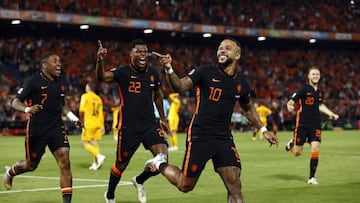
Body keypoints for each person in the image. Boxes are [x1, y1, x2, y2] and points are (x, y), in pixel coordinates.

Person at [148, 38, 279, 203]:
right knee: (185, 185)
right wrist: (168, 68)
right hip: (200, 135)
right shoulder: (205, 72)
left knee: (235, 185)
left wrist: (263, 130)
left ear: (237, 55)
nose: (222, 50)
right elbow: (179, 86)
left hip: (224, 138)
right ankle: (160, 163)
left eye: (227, 48)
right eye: (220, 48)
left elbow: (247, 108)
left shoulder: (241, 84)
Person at [96, 39, 170, 203]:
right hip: (128, 127)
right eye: (139, 51)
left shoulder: (153, 73)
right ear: (131, 54)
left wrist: (163, 118)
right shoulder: (123, 72)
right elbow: (102, 77)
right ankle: (109, 195)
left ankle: (139, 180)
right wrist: (100, 61)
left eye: (145, 51)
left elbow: (158, 94)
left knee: (162, 159)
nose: (143, 54)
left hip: (150, 125)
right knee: (120, 165)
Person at [4, 53, 82, 203]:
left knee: (65, 160)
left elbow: (62, 104)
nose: (59, 64)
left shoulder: (60, 81)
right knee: (31, 165)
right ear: (45, 65)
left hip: (56, 127)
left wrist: (73, 118)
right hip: (37, 129)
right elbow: (15, 102)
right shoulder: (33, 81)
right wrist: (27, 109)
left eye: (60, 61)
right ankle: (11, 171)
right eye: (55, 62)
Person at [285, 66, 339, 185]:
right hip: (302, 125)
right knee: (297, 153)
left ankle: (311, 177)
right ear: (308, 76)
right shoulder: (303, 89)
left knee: (315, 149)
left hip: (315, 124)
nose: (315, 76)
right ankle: (291, 144)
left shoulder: (319, 92)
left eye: (317, 74)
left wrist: (332, 114)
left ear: (319, 77)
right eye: (313, 74)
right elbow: (291, 100)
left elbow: (320, 105)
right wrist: (289, 106)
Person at [79, 82, 106, 170]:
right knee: (95, 143)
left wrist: (81, 121)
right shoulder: (98, 98)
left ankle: (99, 156)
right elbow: (101, 113)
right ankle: (95, 163)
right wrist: (103, 126)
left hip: (88, 123)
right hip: (98, 123)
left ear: (88, 88)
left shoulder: (85, 96)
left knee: (84, 143)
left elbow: (81, 110)